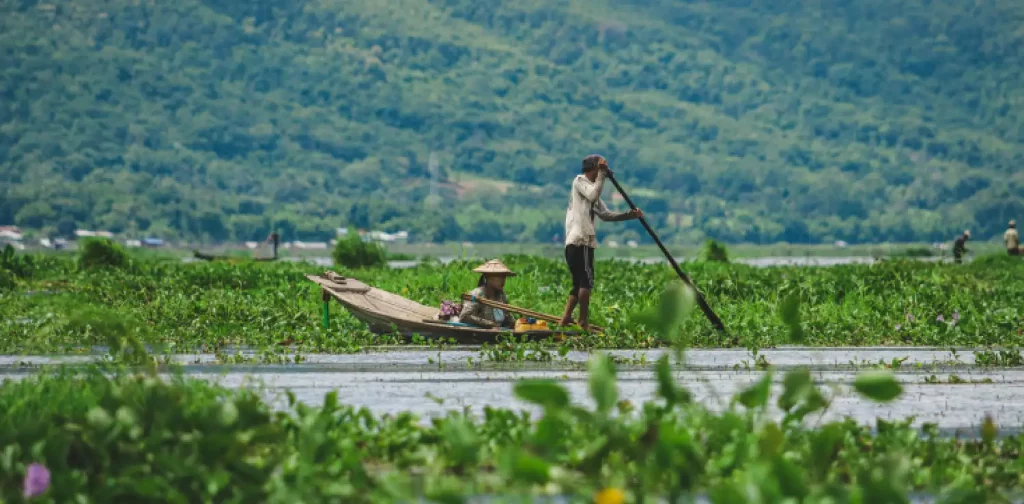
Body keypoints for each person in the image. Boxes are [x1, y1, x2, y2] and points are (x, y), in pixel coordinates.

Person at [559, 154, 643, 331]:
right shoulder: (580, 181)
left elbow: (605, 215)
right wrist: (603, 175)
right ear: (593, 169)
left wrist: (629, 215)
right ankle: (582, 320)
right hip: (580, 240)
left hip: (580, 242)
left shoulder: (591, 189)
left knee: (578, 283)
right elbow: (592, 195)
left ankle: (566, 317)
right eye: (599, 168)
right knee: (586, 281)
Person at [458, 259, 516, 329]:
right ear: (489, 278)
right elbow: (464, 316)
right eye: (500, 277)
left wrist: (517, 323)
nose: (503, 281)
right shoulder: (477, 294)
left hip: (499, 332)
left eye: (504, 277)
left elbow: (508, 317)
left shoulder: (502, 295)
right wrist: (488, 324)